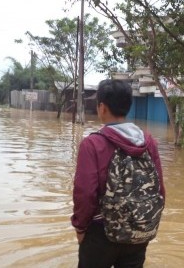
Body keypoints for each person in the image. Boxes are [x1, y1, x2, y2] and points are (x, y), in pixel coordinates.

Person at [71, 79, 165, 268]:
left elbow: (85, 193)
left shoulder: (92, 144)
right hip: (138, 230)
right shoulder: (148, 142)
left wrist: (80, 228)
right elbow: (159, 189)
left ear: (102, 107)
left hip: (100, 232)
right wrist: (146, 223)